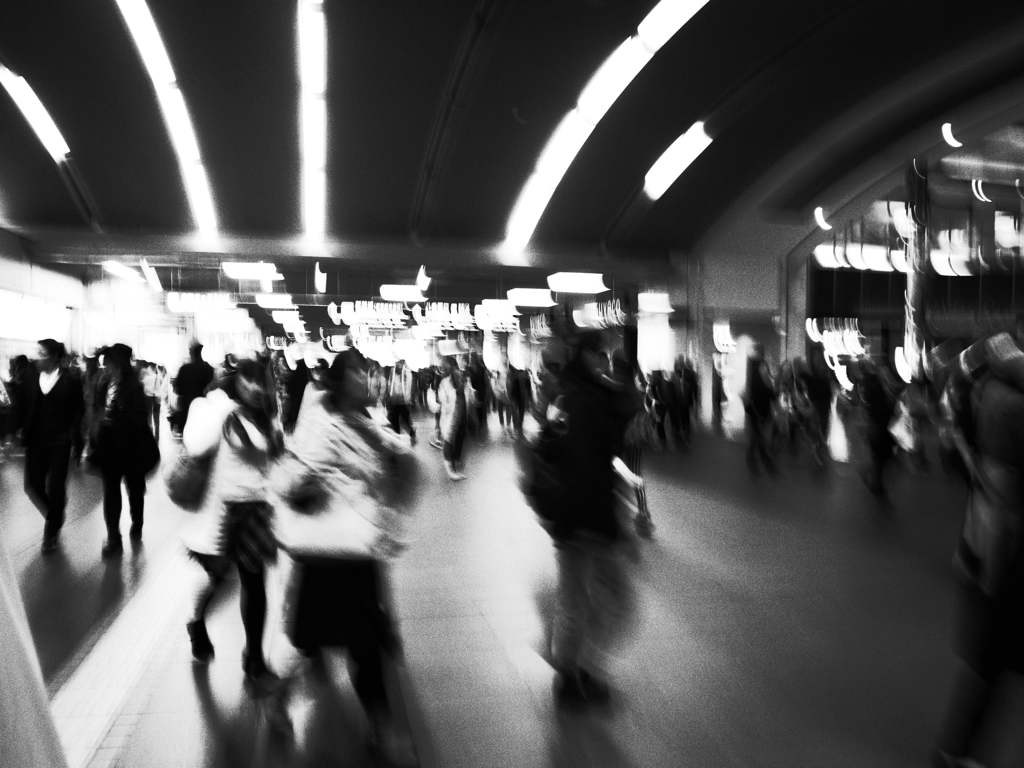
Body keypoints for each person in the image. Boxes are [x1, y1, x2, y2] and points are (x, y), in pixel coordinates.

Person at [273, 347, 414, 761]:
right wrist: (311, 485)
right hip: (325, 553)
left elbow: (392, 464)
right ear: (339, 381)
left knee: (363, 646)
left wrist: (392, 466)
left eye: (366, 372)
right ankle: (278, 695)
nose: (365, 379)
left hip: (358, 552)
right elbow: (292, 478)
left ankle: (380, 728)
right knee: (307, 641)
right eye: (357, 372)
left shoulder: (366, 423)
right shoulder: (321, 424)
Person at [934, 333, 1024, 767]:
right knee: (992, 666)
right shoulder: (1011, 404)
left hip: (992, 551)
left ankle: (954, 752)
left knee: (989, 668)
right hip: (1006, 559)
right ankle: (954, 752)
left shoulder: (989, 392)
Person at [542, 331, 637, 706]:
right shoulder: (587, 399)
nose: (604, 362)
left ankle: (573, 674)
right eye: (600, 354)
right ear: (585, 355)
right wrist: (609, 523)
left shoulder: (570, 395)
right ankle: (578, 671)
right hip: (587, 516)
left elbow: (552, 447)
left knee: (577, 599)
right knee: (611, 599)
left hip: (571, 515)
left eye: (606, 356)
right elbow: (590, 461)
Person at [181, 358, 284, 686]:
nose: (254, 387)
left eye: (259, 380)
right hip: (223, 513)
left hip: (256, 511)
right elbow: (195, 444)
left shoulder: (268, 418)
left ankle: (253, 658)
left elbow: (277, 462)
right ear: (236, 382)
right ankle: (196, 620)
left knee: (254, 583)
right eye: (247, 379)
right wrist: (216, 403)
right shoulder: (223, 415)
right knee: (217, 578)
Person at [93, 344, 159, 557]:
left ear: (118, 363)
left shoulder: (134, 386)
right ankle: (114, 537)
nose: (106, 367)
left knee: (135, 489)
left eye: (109, 363)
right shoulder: (104, 383)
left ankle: (137, 523)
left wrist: (118, 416)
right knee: (111, 491)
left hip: (132, 447)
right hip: (110, 446)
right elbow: (98, 411)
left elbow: (139, 419)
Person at [19, 339, 84, 554]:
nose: (38, 358)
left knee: (56, 487)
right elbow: (23, 404)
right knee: (32, 486)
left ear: (55, 357)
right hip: (35, 441)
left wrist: (76, 439)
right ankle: (55, 515)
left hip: (60, 442)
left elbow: (79, 411)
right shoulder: (30, 377)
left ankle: (51, 533)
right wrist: (19, 428)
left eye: (42, 353)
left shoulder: (71, 380)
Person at [743, 343, 777, 475]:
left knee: (757, 435)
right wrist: (773, 394)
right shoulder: (761, 366)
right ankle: (764, 461)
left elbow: (755, 387)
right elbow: (766, 386)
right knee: (759, 435)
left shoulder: (752, 366)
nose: (763, 354)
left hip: (755, 407)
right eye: (762, 352)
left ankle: (754, 458)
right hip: (759, 407)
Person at [171, 342, 214, 435]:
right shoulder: (208, 368)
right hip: (202, 406)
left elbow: (178, 389)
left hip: (186, 406)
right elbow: (211, 388)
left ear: (191, 353)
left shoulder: (185, 369)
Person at [438, 356, 468, 480]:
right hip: (450, 416)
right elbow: (442, 401)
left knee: (458, 439)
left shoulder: (460, 378)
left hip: (461, 415)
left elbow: (464, 395)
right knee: (448, 442)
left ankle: (454, 467)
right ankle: (450, 471)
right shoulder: (444, 382)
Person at [386, 358, 416, 444]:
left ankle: (412, 433)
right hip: (394, 400)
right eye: (397, 362)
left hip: (403, 401)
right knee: (394, 421)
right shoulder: (392, 371)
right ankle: (397, 439)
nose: (398, 364)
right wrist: (389, 395)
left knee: (406, 420)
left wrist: (408, 399)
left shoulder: (407, 372)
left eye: (400, 362)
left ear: (403, 362)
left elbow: (409, 386)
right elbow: (390, 383)